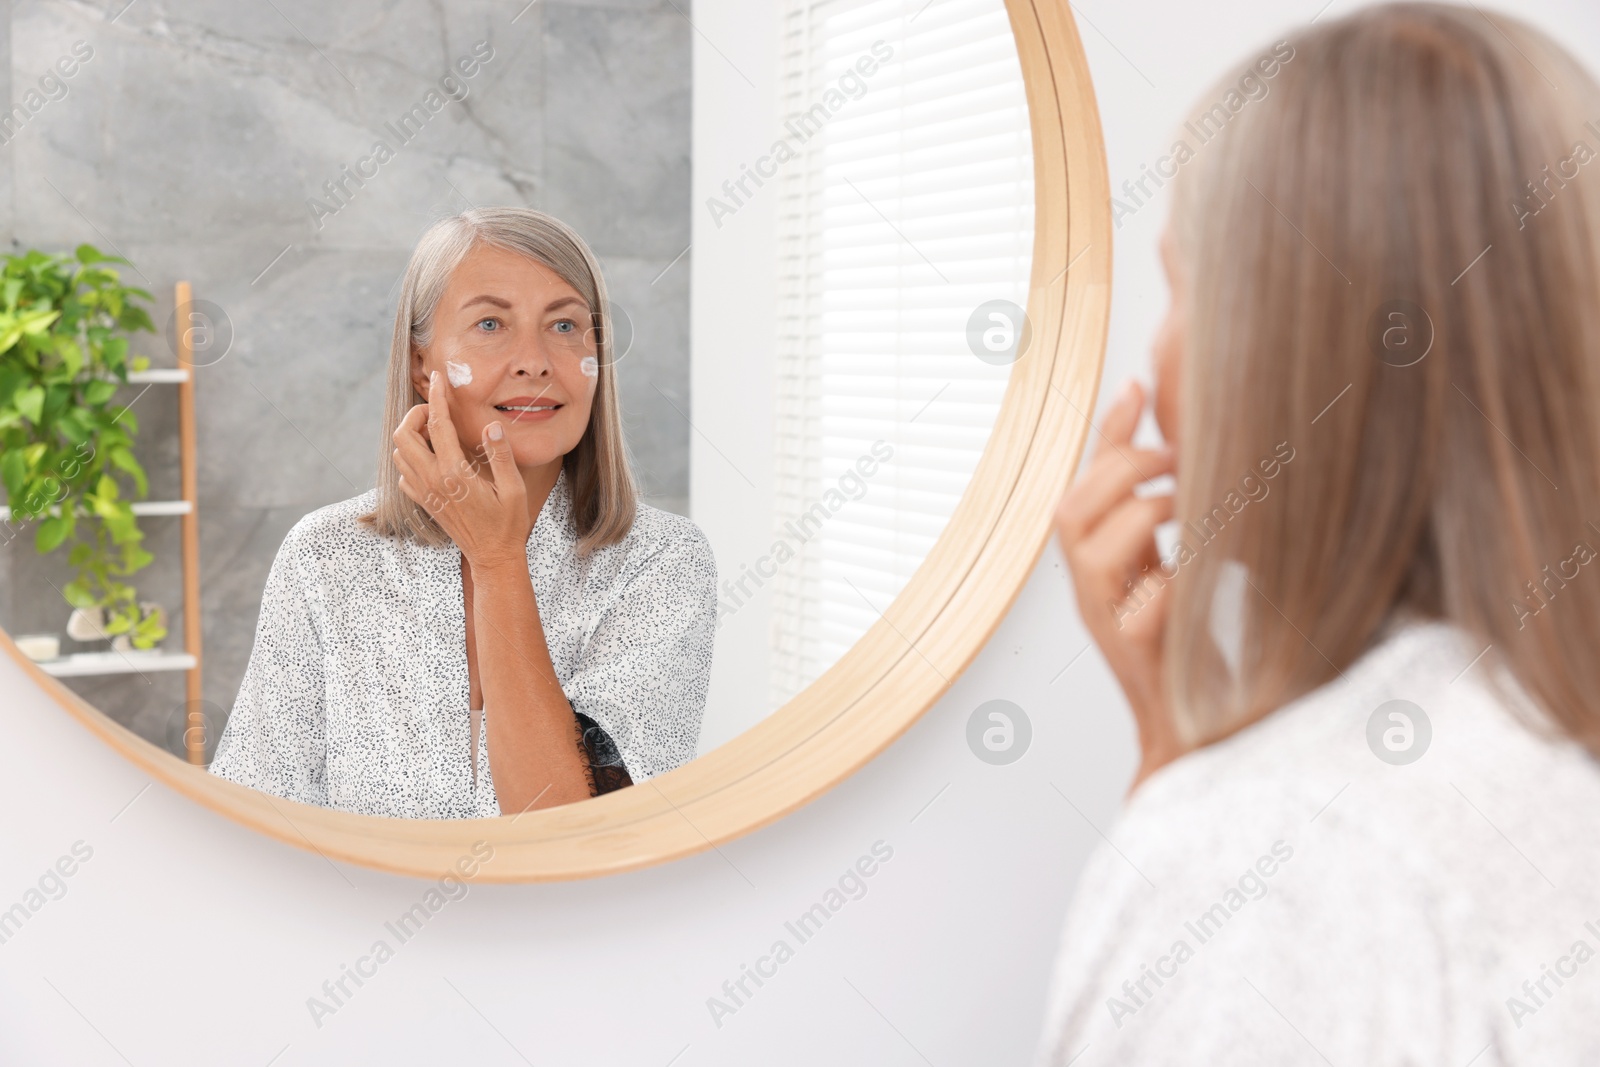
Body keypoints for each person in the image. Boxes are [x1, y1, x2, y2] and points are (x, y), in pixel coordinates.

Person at [1037, 4, 1600, 1063]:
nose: (1149, 363)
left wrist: (1199, 812)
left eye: (1181, 288)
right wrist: (1178, 746)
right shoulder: (1532, 757)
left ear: (1279, 354)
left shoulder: (1280, 852)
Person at [209, 207, 718, 820]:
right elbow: (251, 824)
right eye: (489, 323)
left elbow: (574, 830)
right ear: (422, 366)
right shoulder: (325, 558)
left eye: (564, 326)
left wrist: (497, 560)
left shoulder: (664, 564)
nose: (534, 361)